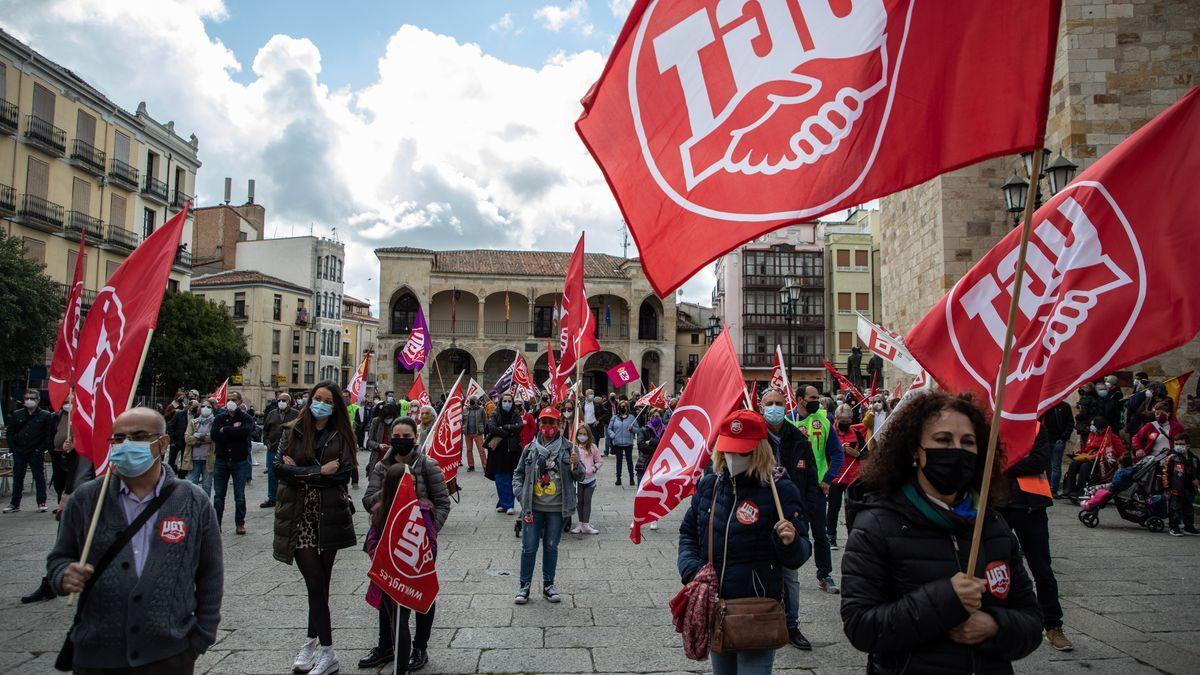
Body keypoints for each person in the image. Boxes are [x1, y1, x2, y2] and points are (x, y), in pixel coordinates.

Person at [841, 391, 1043, 674]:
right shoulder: (877, 524)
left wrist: (995, 626)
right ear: (915, 449)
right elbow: (861, 628)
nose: (957, 450)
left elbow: (1032, 621)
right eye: (943, 439)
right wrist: (945, 599)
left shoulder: (992, 524)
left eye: (968, 442)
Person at [47, 407, 224, 673]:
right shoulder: (86, 499)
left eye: (139, 437)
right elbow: (59, 558)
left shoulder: (192, 500)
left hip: (170, 654)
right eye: (119, 439)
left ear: (163, 443)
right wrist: (63, 575)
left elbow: (211, 573)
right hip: (97, 655)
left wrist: (201, 637)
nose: (127, 445)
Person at [678, 409, 810, 674]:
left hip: (757, 610)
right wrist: (692, 569)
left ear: (759, 451)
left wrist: (790, 541)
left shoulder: (780, 490)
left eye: (741, 452)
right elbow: (688, 533)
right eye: (728, 450)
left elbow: (799, 556)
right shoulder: (710, 486)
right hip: (717, 606)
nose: (732, 458)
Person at [273, 382, 358, 675]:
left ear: (335, 406)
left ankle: (311, 644)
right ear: (310, 400)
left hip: (328, 514)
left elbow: (342, 475)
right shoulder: (292, 430)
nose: (320, 403)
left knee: (321, 584)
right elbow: (279, 469)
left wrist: (298, 472)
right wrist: (319, 471)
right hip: (298, 515)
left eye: (327, 400)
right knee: (315, 582)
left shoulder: (342, 434)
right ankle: (328, 651)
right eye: (317, 398)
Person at [359, 416, 451, 671]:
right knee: (387, 590)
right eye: (396, 437)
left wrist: (429, 532)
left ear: (415, 438)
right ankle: (386, 645)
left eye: (406, 437)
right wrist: (394, 484)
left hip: (419, 542)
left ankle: (419, 647)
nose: (401, 441)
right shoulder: (382, 466)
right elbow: (367, 501)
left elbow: (443, 502)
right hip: (388, 540)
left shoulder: (428, 465)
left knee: (422, 591)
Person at [996, 426, 1074, 652]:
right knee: (994, 568)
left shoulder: (1036, 427)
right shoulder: (993, 424)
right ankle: (998, 622)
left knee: (1042, 570)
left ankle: (1053, 626)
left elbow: (1039, 462)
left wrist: (1003, 463)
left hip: (1032, 506)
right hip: (998, 505)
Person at [760, 388, 821, 651]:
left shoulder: (799, 439)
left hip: (791, 517)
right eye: (769, 403)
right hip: (761, 515)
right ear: (761, 407)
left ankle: (791, 625)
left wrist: (806, 513)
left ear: (786, 406)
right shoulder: (755, 437)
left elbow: (811, 480)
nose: (774, 408)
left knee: (790, 576)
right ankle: (762, 622)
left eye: (778, 403)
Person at [513, 407, 583, 604]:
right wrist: (521, 495)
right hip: (532, 508)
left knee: (551, 546)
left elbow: (579, 476)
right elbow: (518, 474)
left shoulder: (569, 448)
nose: (547, 426)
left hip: (557, 509)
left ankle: (548, 585)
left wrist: (577, 464)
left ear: (559, 424)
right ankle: (524, 586)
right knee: (529, 548)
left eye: (552, 422)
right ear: (539, 424)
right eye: (544, 422)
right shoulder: (530, 448)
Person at [797, 385, 844, 594]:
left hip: (816, 488)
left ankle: (824, 574)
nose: (817, 401)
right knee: (792, 532)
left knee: (820, 534)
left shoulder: (824, 421)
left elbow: (838, 453)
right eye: (813, 397)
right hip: (793, 488)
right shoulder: (788, 421)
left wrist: (828, 478)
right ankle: (787, 575)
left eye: (817, 397)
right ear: (800, 399)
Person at [211, 393, 257, 534]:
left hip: (239, 460)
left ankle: (240, 523)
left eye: (234, 400)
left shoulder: (246, 418)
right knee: (219, 496)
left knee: (239, 495)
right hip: (222, 459)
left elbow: (245, 432)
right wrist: (234, 432)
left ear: (240, 401)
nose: (231, 402)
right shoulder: (220, 418)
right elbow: (214, 435)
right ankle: (216, 524)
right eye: (229, 399)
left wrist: (226, 430)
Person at [5, 389, 54, 513]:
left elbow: (48, 435)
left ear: (38, 400)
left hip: (35, 451)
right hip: (19, 451)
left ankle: (41, 502)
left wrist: (40, 449)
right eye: (27, 398)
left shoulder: (45, 415)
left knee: (39, 477)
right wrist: (14, 449)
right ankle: (14, 504)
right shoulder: (17, 414)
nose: (29, 401)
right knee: (18, 477)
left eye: (32, 398)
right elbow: (10, 433)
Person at [828, 404, 868, 550]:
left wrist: (857, 454)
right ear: (836, 419)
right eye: (842, 421)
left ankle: (853, 536)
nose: (845, 424)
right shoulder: (830, 432)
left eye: (847, 421)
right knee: (833, 507)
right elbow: (823, 453)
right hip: (835, 475)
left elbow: (866, 453)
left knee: (852, 508)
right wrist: (839, 450)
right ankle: (831, 536)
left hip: (852, 476)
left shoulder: (856, 433)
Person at [1064, 417, 1127, 499]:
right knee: (1074, 464)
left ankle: (1081, 490)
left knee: (1085, 467)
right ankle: (1069, 488)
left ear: (1100, 427)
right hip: (1090, 457)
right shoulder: (1092, 435)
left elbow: (1121, 451)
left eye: (1093, 425)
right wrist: (1079, 453)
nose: (1091, 427)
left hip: (1102, 461)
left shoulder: (1111, 437)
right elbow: (1087, 448)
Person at [485, 393, 525, 514]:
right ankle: (503, 503)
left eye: (509, 401)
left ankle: (508, 505)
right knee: (500, 479)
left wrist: (505, 427)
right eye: (505, 401)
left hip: (512, 450)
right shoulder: (495, 413)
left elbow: (520, 426)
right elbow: (492, 428)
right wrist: (508, 432)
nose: (507, 403)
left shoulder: (515, 414)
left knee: (511, 478)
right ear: (500, 402)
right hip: (498, 451)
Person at [261, 392, 299, 508]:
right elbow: (265, 430)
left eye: (284, 400)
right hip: (273, 448)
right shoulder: (272, 414)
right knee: (272, 474)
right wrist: (267, 442)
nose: (281, 402)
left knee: (289, 473)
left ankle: (290, 497)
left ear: (289, 402)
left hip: (289, 450)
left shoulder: (295, 414)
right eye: (279, 400)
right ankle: (272, 498)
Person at [1162, 438, 1199, 536]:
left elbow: (1198, 472)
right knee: (1175, 508)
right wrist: (1167, 488)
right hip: (1176, 488)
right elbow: (1165, 473)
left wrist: (1197, 479)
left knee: (1189, 508)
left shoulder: (1194, 459)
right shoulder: (1172, 458)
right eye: (1176, 444)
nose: (1178, 446)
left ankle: (1189, 527)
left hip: (1189, 488)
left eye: (1181, 444)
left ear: (1188, 445)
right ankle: (1174, 527)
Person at [571, 423, 603, 535]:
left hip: (590, 480)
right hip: (579, 480)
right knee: (579, 502)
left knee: (587, 501)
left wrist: (593, 469)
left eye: (584, 434)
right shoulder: (574, 448)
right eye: (580, 434)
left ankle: (586, 524)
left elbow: (599, 461)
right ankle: (580, 523)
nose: (582, 436)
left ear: (588, 435)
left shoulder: (593, 447)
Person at [1040, 401, 1074, 496]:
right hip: (1046, 440)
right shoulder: (1045, 405)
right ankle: (1047, 488)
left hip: (1058, 441)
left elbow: (1070, 423)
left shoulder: (1065, 406)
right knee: (1047, 466)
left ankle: (1053, 489)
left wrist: (1063, 437)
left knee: (1055, 466)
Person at [183, 400, 217, 496]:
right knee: (192, 485)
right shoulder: (193, 422)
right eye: (203, 406)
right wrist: (202, 438)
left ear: (212, 409)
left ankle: (204, 505)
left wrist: (199, 436)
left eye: (208, 407)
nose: (205, 409)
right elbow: (187, 439)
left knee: (207, 486)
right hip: (193, 459)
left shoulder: (215, 422)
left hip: (208, 459)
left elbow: (213, 437)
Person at [607, 401, 640, 486]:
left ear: (627, 408)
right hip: (617, 443)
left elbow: (637, 429)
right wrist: (613, 436)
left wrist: (632, 428)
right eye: (621, 406)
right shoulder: (614, 418)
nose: (623, 408)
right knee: (619, 461)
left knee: (629, 461)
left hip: (628, 443)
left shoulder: (631, 418)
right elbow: (609, 429)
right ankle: (618, 478)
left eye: (624, 406)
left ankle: (631, 478)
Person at [365, 403, 399, 467]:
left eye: (390, 417)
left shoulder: (398, 423)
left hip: (393, 459)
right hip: (377, 458)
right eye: (386, 417)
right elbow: (369, 441)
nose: (388, 419)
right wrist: (378, 446)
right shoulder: (376, 422)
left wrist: (392, 447)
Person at [463, 396, 488, 472]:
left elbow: (485, 421)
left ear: (476, 401)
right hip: (468, 433)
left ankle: (485, 466)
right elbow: (463, 420)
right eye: (470, 400)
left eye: (473, 400)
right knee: (469, 450)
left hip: (478, 433)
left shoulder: (481, 410)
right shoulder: (465, 410)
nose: (471, 401)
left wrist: (483, 430)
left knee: (481, 450)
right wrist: (463, 428)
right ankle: (471, 466)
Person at [1074, 382, 1102, 447]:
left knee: (1086, 445)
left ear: (1090, 389)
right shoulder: (1093, 397)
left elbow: (1083, 413)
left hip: (1086, 426)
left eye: (1084, 387)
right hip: (1089, 426)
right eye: (1082, 387)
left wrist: (1077, 416)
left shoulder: (1086, 399)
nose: (1082, 389)